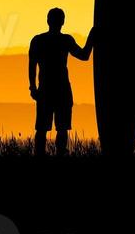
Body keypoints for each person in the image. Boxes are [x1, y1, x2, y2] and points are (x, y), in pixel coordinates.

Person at [28, 8, 94, 156]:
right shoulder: (65, 40)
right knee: (61, 129)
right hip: (62, 90)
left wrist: (33, 88)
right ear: (63, 22)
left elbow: (32, 66)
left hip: (45, 90)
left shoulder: (38, 41)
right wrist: (91, 37)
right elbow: (84, 55)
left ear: (47, 20)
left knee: (42, 129)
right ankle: (60, 155)